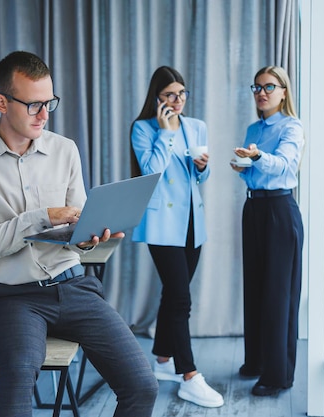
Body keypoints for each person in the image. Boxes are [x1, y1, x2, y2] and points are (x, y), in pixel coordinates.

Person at [0, 51, 159, 417]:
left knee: (143, 386)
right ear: (2, 102)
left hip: (74, 287)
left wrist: (89, 236)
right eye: (33, 105)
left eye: (49, 103)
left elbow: (76, 225)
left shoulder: (65, 150)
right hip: (14, 298)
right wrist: (40, 218)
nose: (44, 115)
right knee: (16, 386)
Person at [130, 66, 224, 408]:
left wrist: (202, 168)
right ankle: (189, 375)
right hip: (162, 224)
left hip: (191, 222)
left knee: (174, 293)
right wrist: (167, 133)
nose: (178, 100)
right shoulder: (143, 128)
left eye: (182, 93)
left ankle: (163, 359)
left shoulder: (197, 126)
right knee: (182, 299)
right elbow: (151, 171)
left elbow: (201, 176)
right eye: (170, 94)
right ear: (157, 98)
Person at [230, 65, 305, 396]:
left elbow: (286, 166)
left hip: (280, 211)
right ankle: (257, 361)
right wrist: (244, 169)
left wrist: (258, 156)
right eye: (257, 87)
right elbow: (256, 174)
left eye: (269, 87)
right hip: (255, 208)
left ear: (283, 92)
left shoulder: (292, 127)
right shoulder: (253, 128)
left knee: (278, 295)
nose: (261, 92)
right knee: (256, 288)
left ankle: (278, 376)